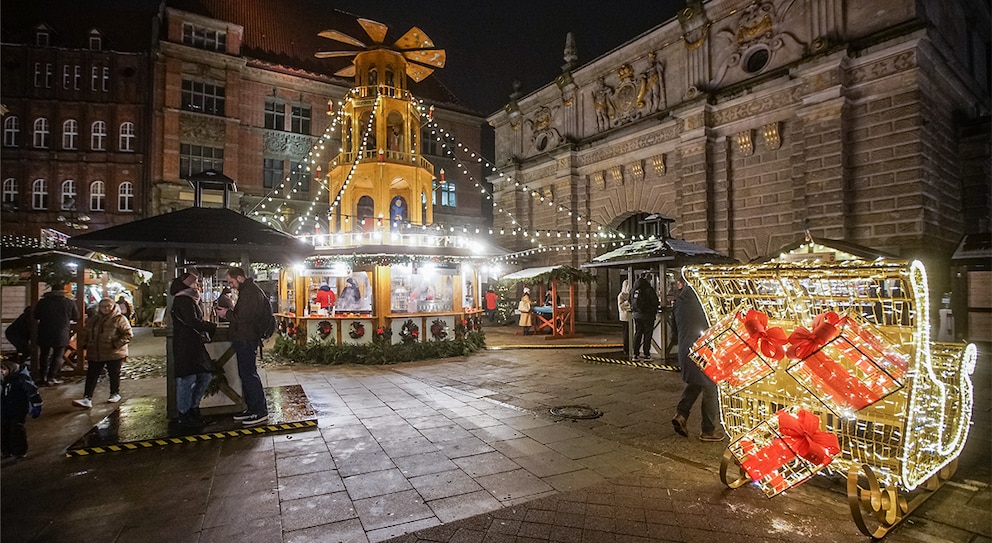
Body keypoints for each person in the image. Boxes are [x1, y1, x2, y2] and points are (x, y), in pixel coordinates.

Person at [670, 275, 725, 442]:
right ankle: (708, 430)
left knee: (695, 383)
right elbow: (716, 325)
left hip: (685, 348)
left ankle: (681, 415)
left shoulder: (679, 301)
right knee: (711, 387)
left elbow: (674, 330)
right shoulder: (705, 301)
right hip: (703, 349)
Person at [214, 267, 270, 427]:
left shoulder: (250, 292)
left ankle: (259, 411)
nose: (230, 285)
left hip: (247, 338)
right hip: (245, 337)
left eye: (231, 281)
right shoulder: (248, 291)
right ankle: (252, 408)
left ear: (239, 278)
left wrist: (227, 314)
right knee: (246, 374)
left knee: (249, 374)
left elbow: (244, 316)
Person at [170, 273, 217, 428]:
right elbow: (192, 321)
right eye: (195, 282)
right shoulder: (183, 300)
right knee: (187, 379)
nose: (197, 285)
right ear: (187, 285)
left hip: (192, 345)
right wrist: (210, 326)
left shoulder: (188, 299)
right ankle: (185, 414)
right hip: (186, 346)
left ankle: (193, 409)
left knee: (204, 375)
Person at [72, 297, 132, 408]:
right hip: (96, 352)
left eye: (108, 306)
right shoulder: (94, 319)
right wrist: (84, 343)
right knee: (92, 375)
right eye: (103, 306)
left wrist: (115, 344)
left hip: (113, 352)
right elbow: (86, 332)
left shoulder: (119, 319)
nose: (105, 309)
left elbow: (127, 334)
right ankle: (87, 397)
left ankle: (114, 393)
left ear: (113, 306)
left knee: (114, 373)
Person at [33, 285, 80, 386]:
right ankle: (51, 377)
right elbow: (76, 316)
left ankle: (43, 377)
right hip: (61, 332)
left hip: (44, 331)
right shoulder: (69, 302)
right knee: (57, 356)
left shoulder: (43, 302)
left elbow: (36, 315)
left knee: (44, 355)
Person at [1, 359, 42, 460]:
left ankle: (19, 451)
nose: (1, 372)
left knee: (16, 430)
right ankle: (6, 450)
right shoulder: (3, 380)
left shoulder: (21, 379)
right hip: (4, 409)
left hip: (18, 409)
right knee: (3, 429)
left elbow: (32, 391)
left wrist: (37, 404)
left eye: (3, 370)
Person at [630, 276, 659, 361]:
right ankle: (646, 354)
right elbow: (655, 302)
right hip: (648, 316)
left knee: (638, 334)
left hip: (637, 316)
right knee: (647, 335)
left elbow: (630, 301)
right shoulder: (649, 290)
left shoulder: (633, 290)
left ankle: (635, 354)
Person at [617, 279, 632, 358]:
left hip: (630, 317)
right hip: (624, 317)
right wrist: (628, 302)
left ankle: (630, 347)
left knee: (630, 333)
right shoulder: (621, 295)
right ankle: (626, 348)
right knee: (626, 333)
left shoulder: (630, 294)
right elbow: (621, 306)